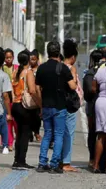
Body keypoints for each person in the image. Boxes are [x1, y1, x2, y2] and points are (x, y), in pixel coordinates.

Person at [35, 41, 77, 174]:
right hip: (59, 106)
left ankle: (42, 163)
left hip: (46, 105)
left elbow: (37, 89)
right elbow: (73, 87)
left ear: (47, 52)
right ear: (59, 52)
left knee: (47, 134)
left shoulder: (41, 68)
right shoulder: (63, 68)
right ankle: (54, 164)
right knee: (59, 135)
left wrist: (41, 105)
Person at [11, 50, 40, 170]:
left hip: (15, 105)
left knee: (19, 133)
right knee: (25, 133)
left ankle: (16, 159)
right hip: (24, 106)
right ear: (28, 60)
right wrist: (40, 104)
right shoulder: (28, 73)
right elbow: (32, 90)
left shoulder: (14, 73)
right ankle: (21, 161)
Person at [61, 39, 83, 172]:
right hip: (70, 104)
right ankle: (66, 162)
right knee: (69, 133)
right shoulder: (71, 68)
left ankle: (59, 160)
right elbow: (73, 85)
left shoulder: (60, 66)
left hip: (60, 103)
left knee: (60, 133)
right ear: (73, 57)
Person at [83, 50, 104, 169]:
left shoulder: (89, 73)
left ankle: (92, 158)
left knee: (92, 133)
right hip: (104, 105)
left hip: (91, 106)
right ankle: (101, 159)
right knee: (104, 133)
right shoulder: (105, 72)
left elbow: (87, 94)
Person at [2, 48, 18, 153]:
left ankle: (17, 140)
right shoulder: (2, 69)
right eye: (6, 58)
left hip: (15, 98)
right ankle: (9, 143)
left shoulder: (17, 68)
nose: (8, 59)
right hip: (5, 99)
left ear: (13, 57)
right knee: (7, 122)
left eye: (10, 57)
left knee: (16, 122)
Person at [29, 49, 41, 143]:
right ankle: (30, 133)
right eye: (30, 59)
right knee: (30, 116)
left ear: (37, 59)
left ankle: (36, 132)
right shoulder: (28, 70)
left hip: (38, 95)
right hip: (29, 96)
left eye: (34, 59)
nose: (32, 61)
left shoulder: (40, 69)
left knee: (37, 117)